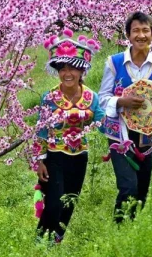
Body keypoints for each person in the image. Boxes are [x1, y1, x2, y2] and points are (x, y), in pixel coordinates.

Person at [99, 12, 152, 223]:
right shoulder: (114, 63)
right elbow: (102, 98)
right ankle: (119, 229)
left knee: (142, 189)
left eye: (146, 30)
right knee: (128, 186)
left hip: (148, 136)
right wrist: (121, 101)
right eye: (136, 30)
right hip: (119, 134)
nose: (141, 35)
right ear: (128, 35)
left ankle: (132, 227)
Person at [33, 28, 105, 244]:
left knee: (69, 202)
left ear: (82, 71)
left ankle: (55, 242)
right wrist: (40, 161)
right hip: (54, 157)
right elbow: (41, 129)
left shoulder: (92, 97)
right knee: (54, 203)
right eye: (62, 68)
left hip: (80, 156)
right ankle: (38, 243)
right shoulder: (50, 97)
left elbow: (102, 122)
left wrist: (122, 123)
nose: (67, 73)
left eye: (73, 68)